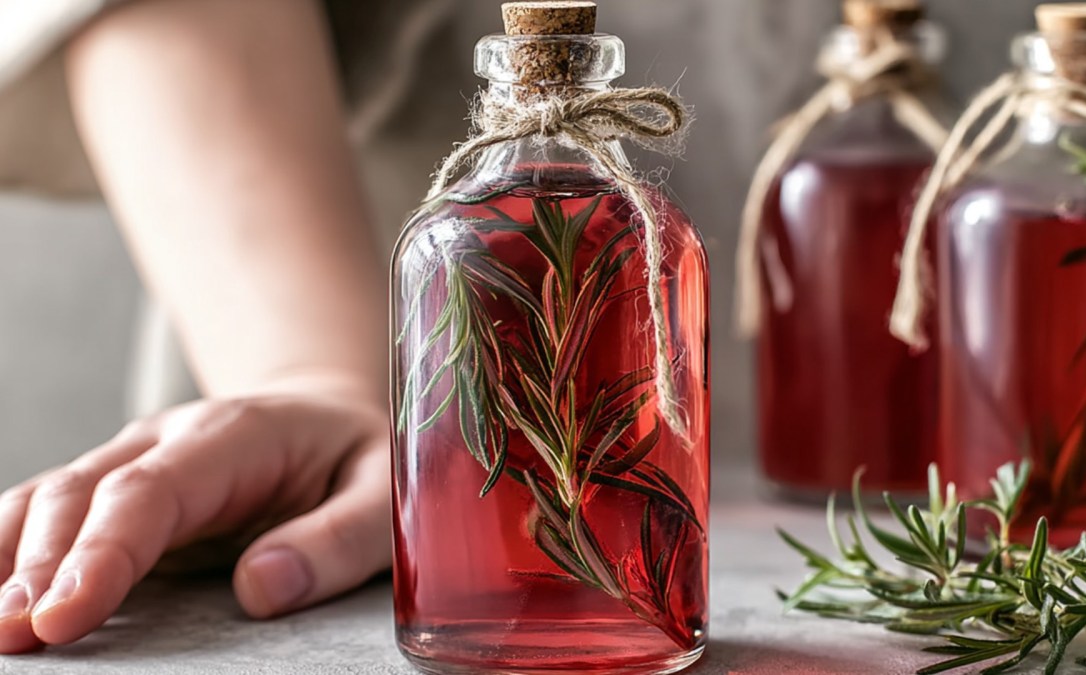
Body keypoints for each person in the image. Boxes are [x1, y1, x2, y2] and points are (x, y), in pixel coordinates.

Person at [0, 0, 831, 656]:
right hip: (303, 323)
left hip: (782, 524)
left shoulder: (652, 232)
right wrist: (308, 378)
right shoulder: (447, 238)